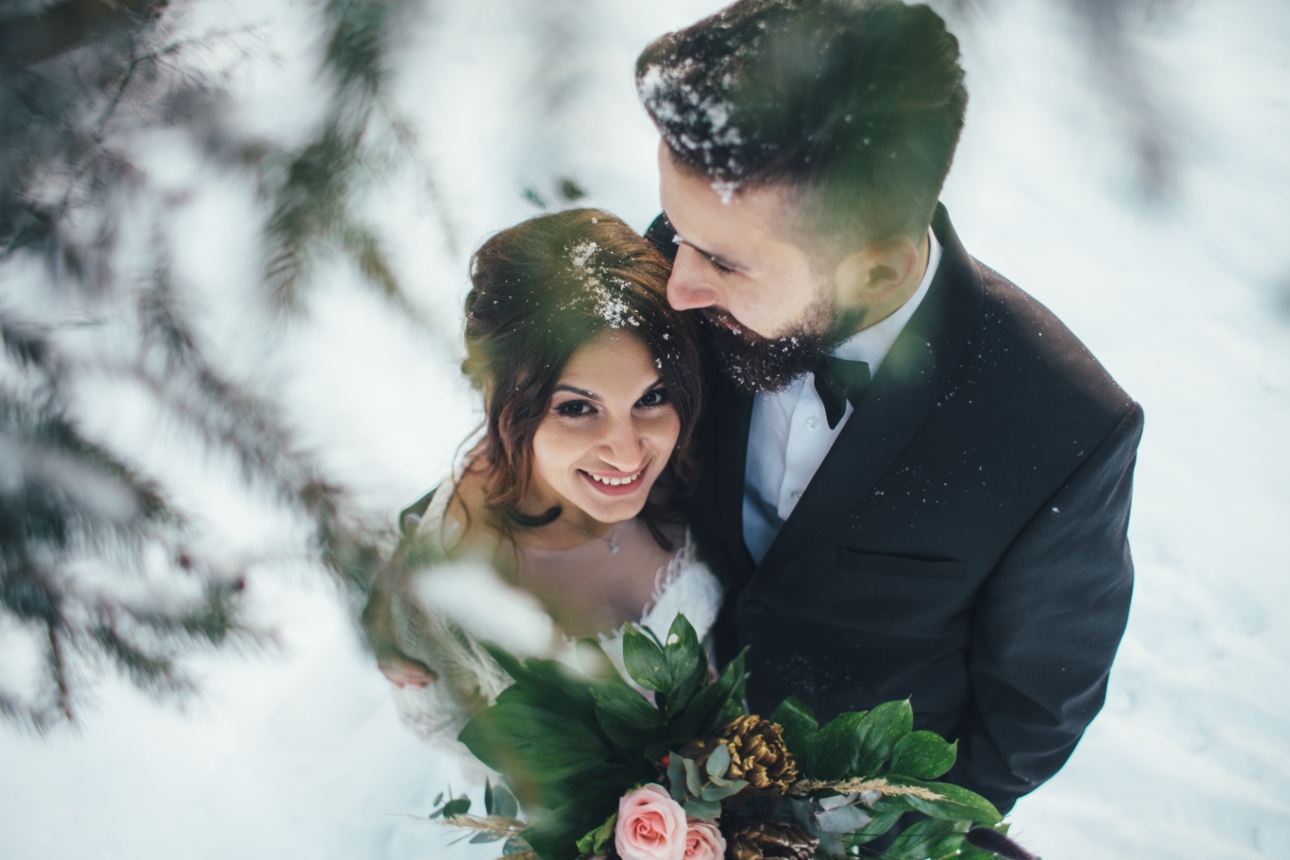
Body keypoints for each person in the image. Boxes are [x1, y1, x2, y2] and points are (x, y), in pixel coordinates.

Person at [635, 0, 1142, 815]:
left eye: (723, 263)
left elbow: (1033, 712)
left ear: (874, 273)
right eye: (678, 230)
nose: (676, 285)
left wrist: (884, 826)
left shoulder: (1063, 431)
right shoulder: (686, 271)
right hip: (650, 762)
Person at [361, 208, 722, 759]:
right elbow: (445, 730)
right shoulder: (448, 583)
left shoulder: (695, 449)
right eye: (577, 408)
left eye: (650, 398)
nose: (628, 453)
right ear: (496, 395)